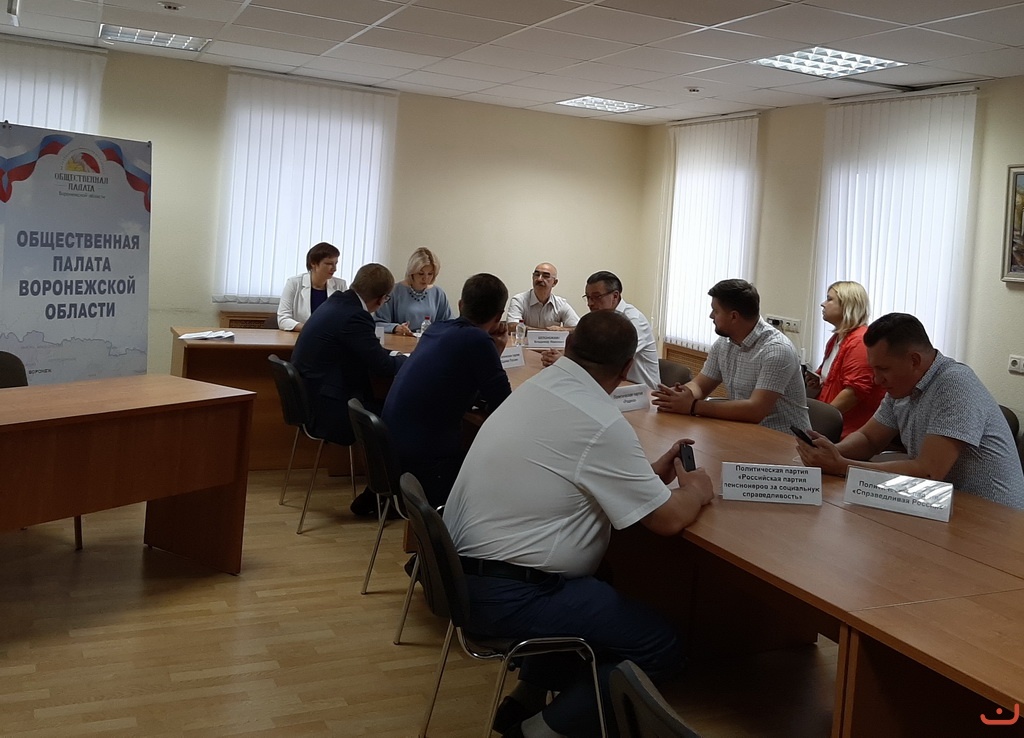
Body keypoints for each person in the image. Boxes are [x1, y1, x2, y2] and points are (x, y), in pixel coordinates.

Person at [444, 310, 714, 738]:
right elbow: (668, 520)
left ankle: (527, 698)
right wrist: (696, 490)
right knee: (659, 644)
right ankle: (536, 733)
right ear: (627, 367)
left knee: (598, 578)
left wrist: (643, 478)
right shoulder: (600, 420)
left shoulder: (538, 388)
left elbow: (570, 470)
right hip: (510, 595)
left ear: (568, 347)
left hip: (460, 577)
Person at [796, 312, 1024, 508]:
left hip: (993, 517)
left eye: (883, 369)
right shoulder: (901, 386)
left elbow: (928, 471)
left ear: (914, 360)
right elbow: (869, 439)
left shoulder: (955, 384)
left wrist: (842, 465)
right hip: (939, 504)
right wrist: (831, 452)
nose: (877, 379)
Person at [383, 273, 512, 507]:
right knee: (500, 467)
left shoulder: (436, 328)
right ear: (499, 316)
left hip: (392, 451)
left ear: (460, 305)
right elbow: (504, 405)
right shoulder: (478, 342)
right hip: (425, 463)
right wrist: (494, 351)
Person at [652, 279, 810, 435]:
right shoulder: (724, 343)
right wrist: (680, 395)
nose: (711, 316)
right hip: (745, 433)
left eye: (716, 311)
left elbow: (755, 410)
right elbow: (700, 385)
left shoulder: (777, 351)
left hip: (785, 442)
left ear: (734, 316)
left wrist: (693, 406)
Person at [291, 263, 407, 449]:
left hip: (313, 399)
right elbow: (383, 366)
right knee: (404, 415)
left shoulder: (337, 302)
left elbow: (367, 349)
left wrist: (395, 354)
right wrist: (409, 360)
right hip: (331, 410)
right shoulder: (355, 316)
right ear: (381, 299)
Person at [540, 271, 660, 389]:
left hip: (642, 392)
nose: (590, 303)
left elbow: (608, 358)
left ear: (615, 296)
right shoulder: (601, 319)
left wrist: (566, 362)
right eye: (588, 297)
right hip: (611, 384)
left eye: (596, 297)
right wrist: (562, 356)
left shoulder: (633, 321)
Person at [805, 281, 885, 439]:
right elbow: (829, 378)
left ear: (847, 306)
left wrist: (821, 421)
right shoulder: (836, 339)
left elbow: (854, 393)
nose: (823, 304)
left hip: (846, 430)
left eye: (829, 299)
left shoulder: (860, 341)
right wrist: (816, 381)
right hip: (831, 425)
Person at [374, 247, 453, 336]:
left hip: (428, 341)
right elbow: (378, 324)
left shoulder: (438, 293)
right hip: (399, 341)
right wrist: (395, 328)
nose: (425, 278)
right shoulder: (393, 291)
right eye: (421, 273)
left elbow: (449, 323)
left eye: (430, 274)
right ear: (412, 273)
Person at [276, 242, 348, 332]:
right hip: (300, 336)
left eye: (335, 263)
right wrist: (311, 330)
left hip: (330, 337)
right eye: (329, 264)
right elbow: (283, 319)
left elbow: (346, 317)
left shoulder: (340, 285)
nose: (334, 268)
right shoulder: (294, 283)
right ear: (313, 263)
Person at [506, 262, 580, 330]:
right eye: (537, 275)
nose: (539, 279)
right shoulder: (519, 300)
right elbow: (512, 326)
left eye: (545, 276)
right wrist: (545, 332)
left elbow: (577, 328)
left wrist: (561, 329)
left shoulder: (561, 304)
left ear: (554, 282)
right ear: (532, 277)